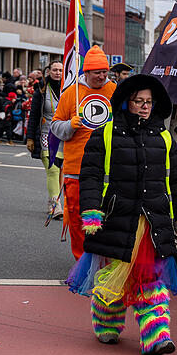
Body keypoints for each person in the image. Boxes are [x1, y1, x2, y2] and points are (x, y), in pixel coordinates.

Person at [68, 73, 177, 355]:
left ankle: (157, 337)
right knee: (114, 278)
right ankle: (106, 326)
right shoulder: (106, 133)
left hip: (152, 223)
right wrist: (90, 212)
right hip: (116, 218)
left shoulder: (163, 138)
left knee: (151, 278)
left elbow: (176, 178)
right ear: (127, 103)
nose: (145, 106)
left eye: (149, 101)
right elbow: (90, 175)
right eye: (139, 101)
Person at [50, 45, 117, 256]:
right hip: (76, 168)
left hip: (108, 168)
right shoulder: (72, 93)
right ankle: (82, 260)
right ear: (86, 72)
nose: (102, 76)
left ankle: (103, 258)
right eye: (97, 72)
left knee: (107, 216)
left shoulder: (114, 91)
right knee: (79, 217)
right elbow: (55, 127)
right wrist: (70, 124)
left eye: (104, 71)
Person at [26, 60, 64, 219]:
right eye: (54, 69)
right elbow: (34, 115)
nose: (57, 73)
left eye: (60, 70)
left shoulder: (70, 89)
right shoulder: (41, 90)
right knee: (53, 169)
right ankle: (56, 205)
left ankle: (54, 199)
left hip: (64, 135)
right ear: (48, 71)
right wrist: (29, 138)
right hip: (46, 135)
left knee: (62, 170)